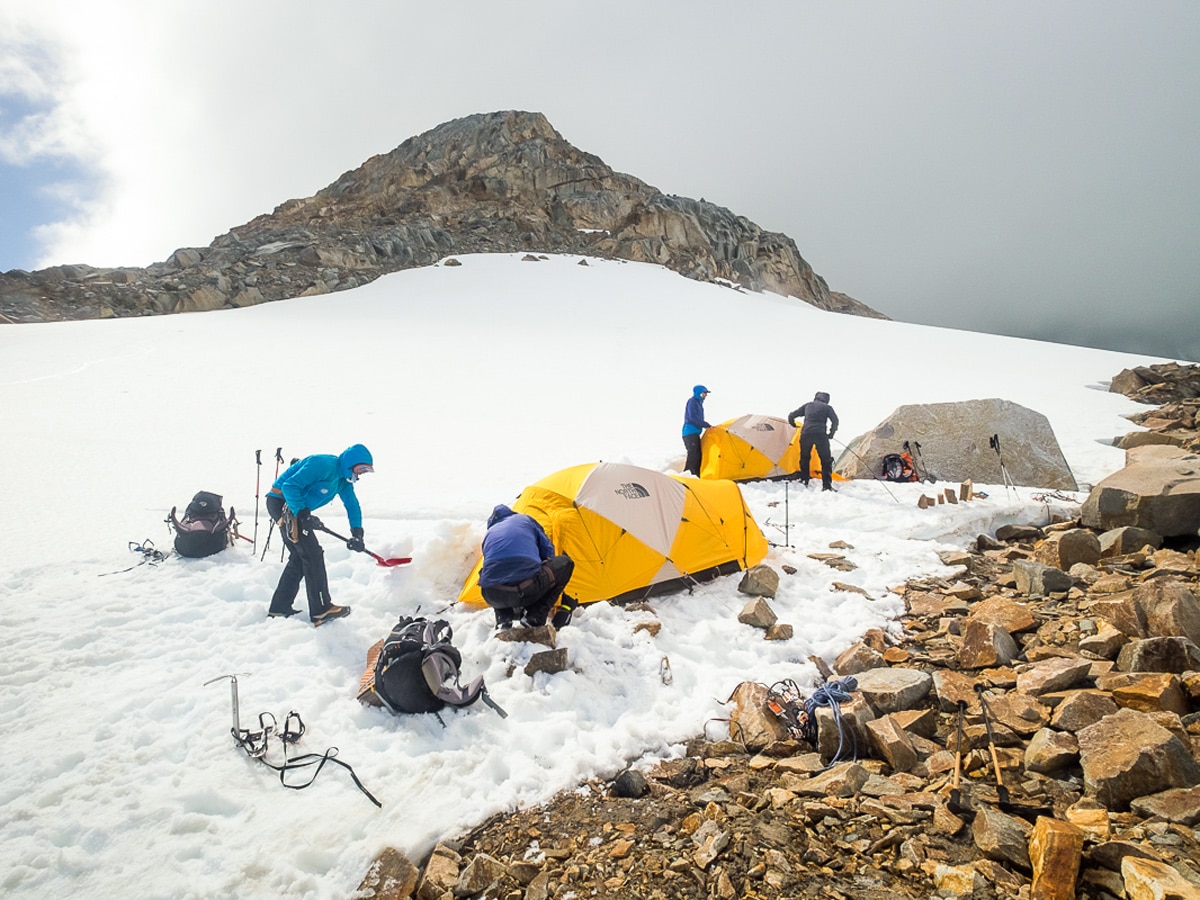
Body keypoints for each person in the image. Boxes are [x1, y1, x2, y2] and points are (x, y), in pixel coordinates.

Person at [265, 443, 374, 626]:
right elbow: (289, 486)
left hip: (296, 509)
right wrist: (303, 514)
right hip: (283, 503)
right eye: (361, 468)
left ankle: (279, 607)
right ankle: (321, 609)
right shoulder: (323, 465)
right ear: (350, 463)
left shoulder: (343, 480)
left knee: (300, 557)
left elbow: (352, 505)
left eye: (366, 470)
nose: (362, 473)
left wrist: (357, 533)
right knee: (312, 554)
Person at [478, 504, 577, 630]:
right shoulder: (525, 520)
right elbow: (547, 552)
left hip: (491, 595)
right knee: (565, 563)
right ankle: (535, 616)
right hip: (526, 589)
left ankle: (503, 618)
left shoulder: (489, 533)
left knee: (493, 573)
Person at [787, 391, 839, 491]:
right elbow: (835, 421)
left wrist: (793, 424)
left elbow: (792, 415)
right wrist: (831, 434)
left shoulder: (808, 405)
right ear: (827, 400)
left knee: (805, 457)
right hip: (821, 435)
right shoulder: (827, 408)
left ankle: (804, 480)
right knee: (826, 461)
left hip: (806, 434)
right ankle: (826, 486)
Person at [681, 384, 712, 477]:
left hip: (694, 432)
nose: (705, 395)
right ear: (698, 393)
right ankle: (687, 475)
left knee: (697, 455)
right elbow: (692, 418)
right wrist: (706, 425)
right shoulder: (692, 401)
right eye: (704, 393)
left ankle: (695, 475)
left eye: (706, 394)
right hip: (690, 432)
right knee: (693, 455)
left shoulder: (698, 403)